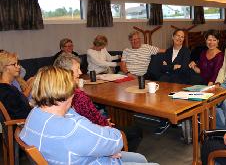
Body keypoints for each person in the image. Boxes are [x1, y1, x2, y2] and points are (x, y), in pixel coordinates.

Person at [20, 66, 158, 165]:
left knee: (140, 158)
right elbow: (117, 141)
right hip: (93, 159)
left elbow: (86, 133)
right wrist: (107, 144)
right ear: (67, 91)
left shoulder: (34, 113)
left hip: (74, 156)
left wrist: (105, 148)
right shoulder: (73, 128)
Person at [54, 53, 112, 126]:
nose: (80, 72)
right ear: (66, 72)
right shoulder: (78, 96)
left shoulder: (53, 90)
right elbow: (96, 120)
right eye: (77, 69)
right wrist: (106, 123)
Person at [0, 51, 31, 119]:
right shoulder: (6, 91)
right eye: (14, 64)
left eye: (18, 64)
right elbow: (19, 115)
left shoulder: (9, 87)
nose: (19, 67)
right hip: (22, 125)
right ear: (5, 68)